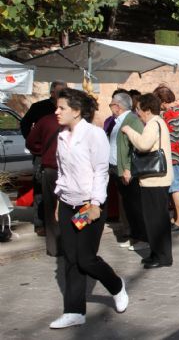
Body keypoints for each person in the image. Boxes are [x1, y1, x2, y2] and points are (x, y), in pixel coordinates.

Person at [50, 88, 127, 329]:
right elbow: (62, 172)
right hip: (66, 204)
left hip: (89, 204)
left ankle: (116, 285)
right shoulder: (61, 136)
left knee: (86, 259)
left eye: (61, 107)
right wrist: (57, 200)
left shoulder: (94, 134)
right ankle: (74, 311)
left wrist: (95, 203)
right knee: (70, 259)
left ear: (76, 110)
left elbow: (101, 171)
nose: (57, 111)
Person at [121, 93, 174, 269]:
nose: (138, 113)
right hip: (154, 180)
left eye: (139, 109)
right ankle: (156, 252)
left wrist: (129, 131)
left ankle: (162, 256)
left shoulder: (153, 124)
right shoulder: (157, 123)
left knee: (156, 220)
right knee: (155, 219)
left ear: (148, 110)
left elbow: (143, 144)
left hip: (155, 180)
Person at [21, 80, 67, 235]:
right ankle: (41, 223)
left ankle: (60, 222)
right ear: (52, 92)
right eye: (60, 92)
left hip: (65, 157)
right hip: (43, 157)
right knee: (41, 189)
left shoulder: (70, 108)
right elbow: (25, 124)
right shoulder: (40, 108)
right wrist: (38, 149)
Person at [108, 92, 148, 251]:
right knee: (128, 207)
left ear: (118, 106)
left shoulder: (132, 120)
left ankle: (143, 238)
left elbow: (136, 147)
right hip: (117, 170)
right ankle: (134, 236)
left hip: (127, 171)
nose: (110, 106)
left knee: (135, 206)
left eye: (111, 104)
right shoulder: (118, 121)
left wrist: (128, 169)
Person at [153, 85, 179, 230]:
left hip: (174, 156)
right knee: (177, 186)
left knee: (175, 188)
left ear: (162, 101)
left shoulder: (169, 114)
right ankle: (177, 217)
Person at [25, 113, 60, 256]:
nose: (59, 112)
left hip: (63, 170)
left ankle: (60, 246)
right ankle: (56, 247)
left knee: (59, 209)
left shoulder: (78, 124)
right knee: (53, 208)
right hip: (53, 169)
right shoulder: (47, 120)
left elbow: (31, 142)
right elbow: (31, 141)